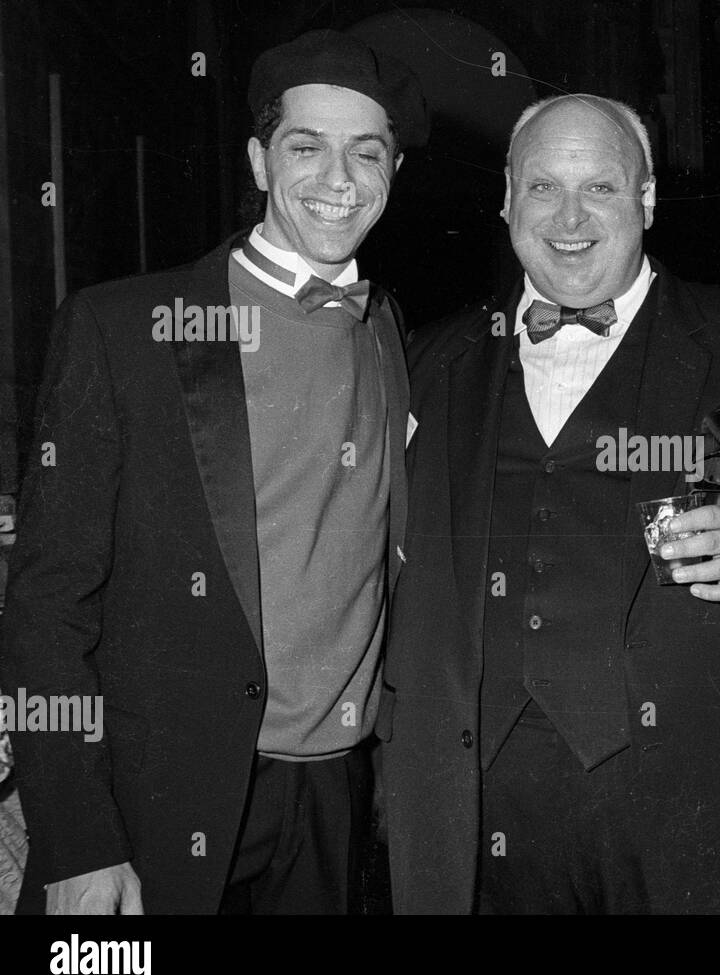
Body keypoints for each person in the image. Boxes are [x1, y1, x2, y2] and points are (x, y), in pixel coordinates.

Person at [382, 93, 720, 913]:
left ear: (649, 198)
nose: (570, 217)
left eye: (601, 188)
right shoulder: (430, 362)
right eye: (544, 187)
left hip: (705, 802)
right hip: (484, 810)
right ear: (507, 201)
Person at [0, 28, 426, 914]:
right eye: (306, 147)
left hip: (334, 796)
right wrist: (79, 836)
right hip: (154, 804)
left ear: (393, 172)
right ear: (259, 162)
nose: (338, 180)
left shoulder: (386, 329)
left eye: (367, 152)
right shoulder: (122, 329)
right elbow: (47, 603)